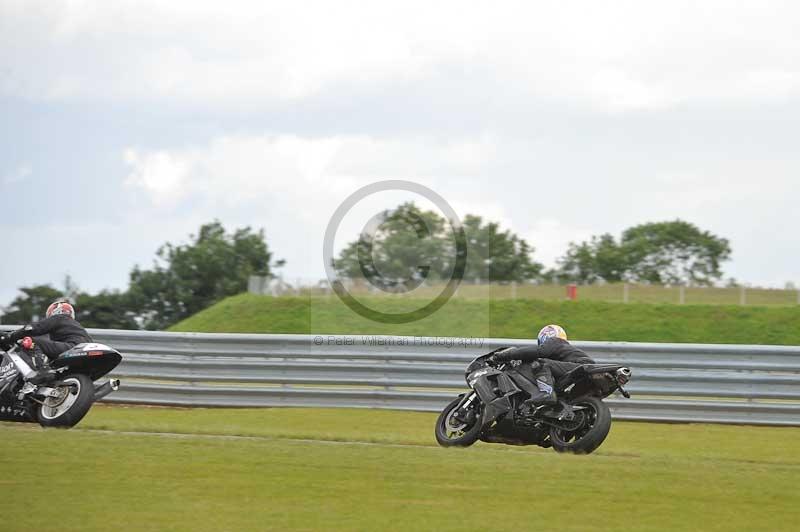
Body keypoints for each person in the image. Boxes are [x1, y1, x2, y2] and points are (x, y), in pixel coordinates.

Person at [489, 324, 595, 409]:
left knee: (541, 363)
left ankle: (546, 392)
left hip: (581, 366)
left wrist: (505, 355)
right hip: (585, 370)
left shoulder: (555, 341)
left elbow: (538, 351)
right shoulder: (562, 351)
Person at [0, 299, 92, 383]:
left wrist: (10, 336)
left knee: (31, 341)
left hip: (72, 347)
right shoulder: (78, 326)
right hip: (84, 352)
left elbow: (32, 328)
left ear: (54, 311)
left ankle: (43, 371)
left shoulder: (59, 318)